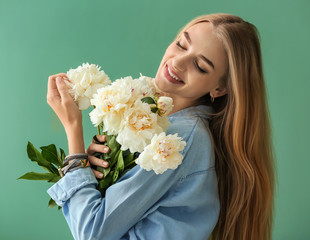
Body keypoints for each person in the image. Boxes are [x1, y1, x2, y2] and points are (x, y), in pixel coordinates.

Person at [46, 13, 275, 240]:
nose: (178, 62)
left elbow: (92, 233)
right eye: (181, 44)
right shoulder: (162, 119)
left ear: (219, 89)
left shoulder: (181, 139)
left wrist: (73, 133)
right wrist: (95, 170)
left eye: (200, 66)